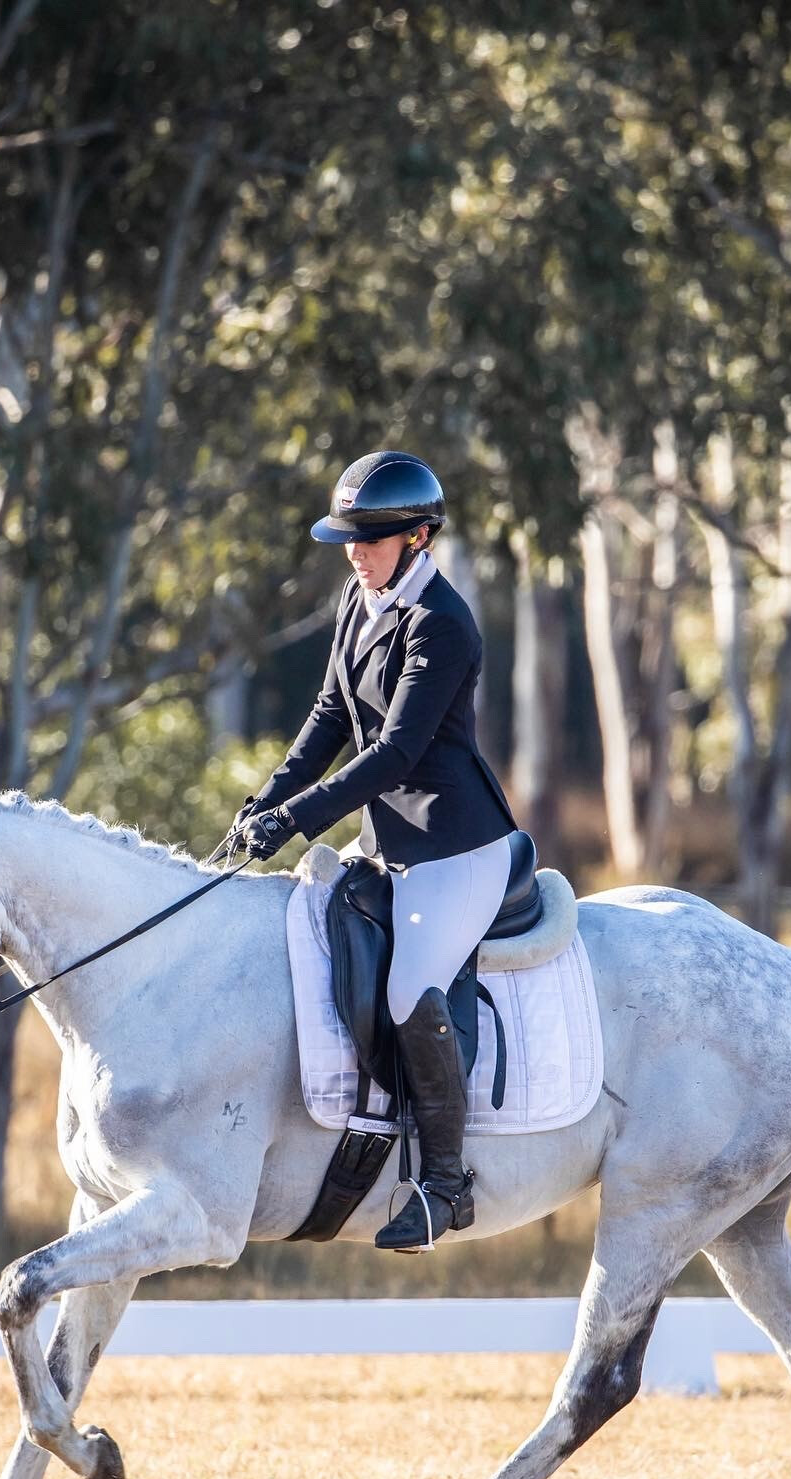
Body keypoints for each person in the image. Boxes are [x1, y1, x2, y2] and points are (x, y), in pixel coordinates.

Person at [236, 450, 518, 1252]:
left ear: (418, 537)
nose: (354, 552)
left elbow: (394, 753)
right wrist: (266, 800)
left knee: (407, 990)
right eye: (349, 538)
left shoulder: (444, 623)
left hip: (454, 847)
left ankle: (445, 1184)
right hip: (384, 843)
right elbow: (329, 716)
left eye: (371, 538)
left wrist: (297, 819)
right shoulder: (358, 602)